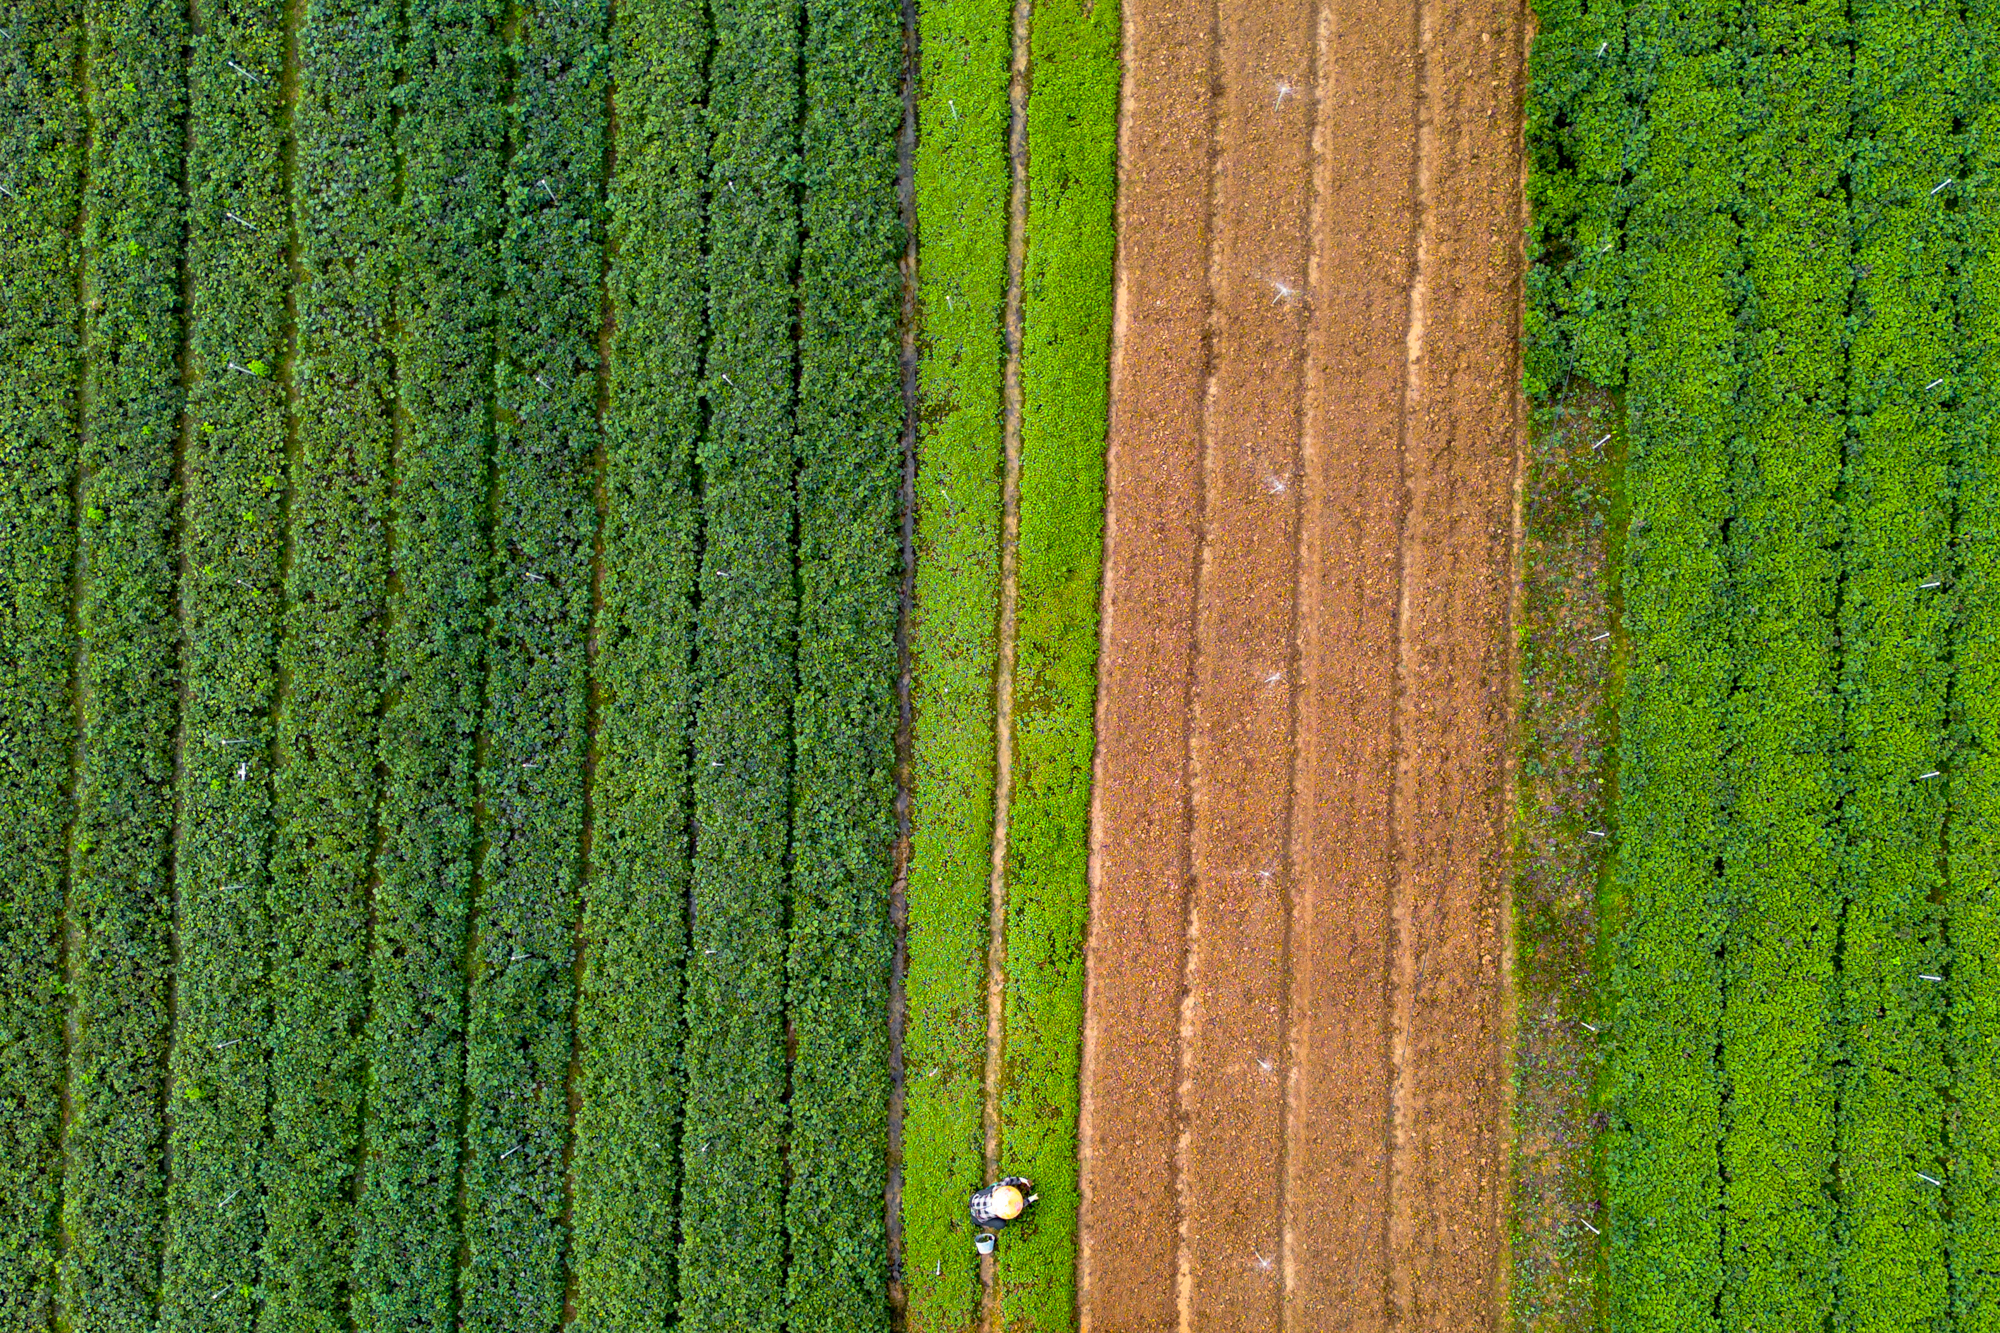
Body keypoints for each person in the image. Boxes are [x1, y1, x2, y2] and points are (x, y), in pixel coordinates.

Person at [969, 1176, 1037, 1235]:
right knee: (1001, 1224)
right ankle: (983, 1223)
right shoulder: (1003, 1212)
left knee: (993, 1188)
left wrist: (1023, 1180)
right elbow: (1020, 1205)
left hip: (973, 1200)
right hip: (977, 1219)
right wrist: (1033, 1198)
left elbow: (1007, 1180)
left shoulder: (996, 1190)